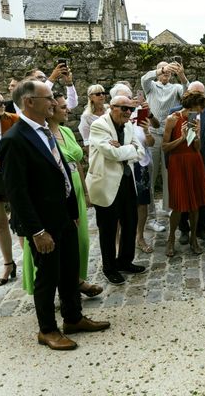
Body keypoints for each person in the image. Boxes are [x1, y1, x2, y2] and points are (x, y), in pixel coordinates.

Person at [0, 79, 109, 350]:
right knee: (47, 278)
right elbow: (17, 193)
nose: (54, 102)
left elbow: (60, 173)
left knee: (70, 271)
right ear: (29, 102)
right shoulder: (14, 140)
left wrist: (72, 212)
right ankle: (47, 329)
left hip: (63, 217)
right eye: (48, 98)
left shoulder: (47, 131)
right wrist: (36, 231)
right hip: (42, 224)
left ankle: (73, 318)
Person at [21, 92, 103, 297]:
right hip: (56, 193)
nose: (67, 109)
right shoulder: (41, 136)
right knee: (58, 242)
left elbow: (77, 162)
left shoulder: (66, 131)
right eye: (63, 107)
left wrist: (85, 190)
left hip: (75, 188)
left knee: (81, 240)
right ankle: (67, 285)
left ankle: (74, 278)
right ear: (51, 111)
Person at [87, 96, 146, 286]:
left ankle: (125, 261)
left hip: (127, 181)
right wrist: (130, 150)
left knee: (130, 222)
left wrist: (123, 148)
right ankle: (109, 268)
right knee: (108, 228)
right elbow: (111, 153)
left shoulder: (128, 125)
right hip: (106, 183)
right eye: (124, 108)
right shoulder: (99, 125)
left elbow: (141, 151)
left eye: (130, 109)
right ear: (111, 107)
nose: (128, 112)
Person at [109, 83, 160, 253]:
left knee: (142, 202)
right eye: (124, 103)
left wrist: (146, 130)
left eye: (130, 100)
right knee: (118, 205)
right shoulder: (108, 120)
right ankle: (116, 241)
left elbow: (151, 140)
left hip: (141, 163)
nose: (128, 105)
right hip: (120, 165)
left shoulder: (139, 113)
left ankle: (139, 237)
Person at [162, 91, 205, 257]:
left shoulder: (196, 119)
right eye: (200, 107)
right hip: (178, 163)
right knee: (177, 204)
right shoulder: (172, 119)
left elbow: (197, 147)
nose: (202, 111)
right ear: (192, 105)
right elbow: (164, 147)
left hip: (194, 161)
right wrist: (182, 138)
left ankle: (193, 239)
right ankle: (170, 240)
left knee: (195, 204)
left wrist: (196, 136)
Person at [140, 60, 189, 221]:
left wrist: (182, 76)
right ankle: (150, 210)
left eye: (169, 71)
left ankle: (168, 207)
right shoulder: (151, 86)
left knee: (169, 172)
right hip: (153, 133)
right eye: (163, 70)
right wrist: (161, 69)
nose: (166, 73)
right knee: (151, 172)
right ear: (158, 71)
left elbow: (187, 95)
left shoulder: (175, 88)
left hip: (170, 134)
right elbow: (144, 79)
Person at [0, 91, 19, 287]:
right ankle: (8, 264)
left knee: (20, 217)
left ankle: (31, 260)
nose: (1, 104)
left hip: (13, 173)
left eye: (3, 101)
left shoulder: (14, 120)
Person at [78, 84, 107, 149]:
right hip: (96, 148)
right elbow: (86, 140)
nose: (101, 95)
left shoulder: (109, 111)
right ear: (91, 97)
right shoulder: (86, 116)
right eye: (98, 94)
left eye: (103, 93)